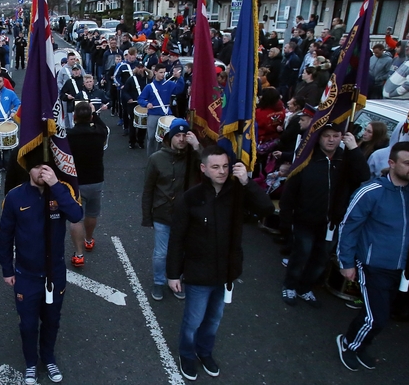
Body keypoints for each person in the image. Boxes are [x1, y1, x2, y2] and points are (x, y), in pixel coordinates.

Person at [335, 142, 409, 371]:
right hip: (372, 264)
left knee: (379, 313)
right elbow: (349, 227)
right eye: (407, 162)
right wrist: (346, 262)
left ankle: (359, 344)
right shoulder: (371, 192)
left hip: (402, 267)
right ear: (391, 163)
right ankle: (349, 344)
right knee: (376, 317)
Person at [167, 145, 274, 381]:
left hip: (226, 272)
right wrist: (173, 273)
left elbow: (266, 208)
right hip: (198, 272)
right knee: (193, 320)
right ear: (204, 168)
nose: (222, 171)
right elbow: (177, 238)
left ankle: (204, 352)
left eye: (225, 166)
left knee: (213, 319)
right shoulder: (191, 198)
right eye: (215, 167)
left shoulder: (237, 192)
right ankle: (187, 354)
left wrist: (248, 182)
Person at [0, 147, 83, 385]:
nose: (41, 172)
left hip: (54, 273)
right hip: (26, 274)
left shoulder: (61, 190)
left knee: (52, 320)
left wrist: (56, 185)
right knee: (27, 325)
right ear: (28, 169)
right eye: (36, 167)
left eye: (45, 167)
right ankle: (31, 364)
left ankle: (48, 358)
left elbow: (76, 215)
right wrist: (7, 269)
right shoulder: (15, 197)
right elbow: (4, 235)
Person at [280, 124, 369, 308]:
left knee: (321, 258)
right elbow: (290, 192)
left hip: (332, 222)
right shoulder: (307, 159)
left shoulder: (345, 160)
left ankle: (305, 287)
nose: (331, 139)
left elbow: (363, 175)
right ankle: (290, 285)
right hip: (305, 218)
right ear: (318, 138)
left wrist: (354, 149)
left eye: (335, 135)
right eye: (326, 136)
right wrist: (286, 218)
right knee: (301, 254)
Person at [142, 118, 201, 301]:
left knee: (182, 250)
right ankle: (159, 282)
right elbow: (148, 189)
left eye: (185, 135)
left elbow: (206, 168)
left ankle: (176, 280)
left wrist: (197, 147)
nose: (182, 139)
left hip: (185, 214)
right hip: (162, 212)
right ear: (170, 137)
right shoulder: (156, 158)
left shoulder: (192, 156)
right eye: (178, 135)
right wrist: (147, 217)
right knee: (161, 253)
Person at [66, 101, 107, 267]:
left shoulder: (69, 136)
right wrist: (94, 113)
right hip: (96, 179)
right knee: (92, 213)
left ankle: (78, 253)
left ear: (74, 117)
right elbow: (102, 126)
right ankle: (88, 240)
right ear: (90, 117)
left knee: (76, 218)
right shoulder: (99, 133)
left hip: (76, 181)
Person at [137, 64, 185, 156]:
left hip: (166, 114)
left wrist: (179, 78)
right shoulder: (149, 87)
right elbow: (140, 99)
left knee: (164, 138)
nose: (163, 75)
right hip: (153, 114)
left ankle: (162, 157)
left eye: (164, 72)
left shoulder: (169, 84)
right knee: (151, 137)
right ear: (155, 72)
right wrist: (147, 104)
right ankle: (151, 157)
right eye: (160, 72)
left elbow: (179, 90)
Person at [122, 61, 148, 149]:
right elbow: (125, 91)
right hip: (133, 104)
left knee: (143, 124)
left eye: (142, 67)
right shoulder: (131, 79)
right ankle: (132, 142)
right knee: (133, 123)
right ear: (136, 68)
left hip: (144, 104)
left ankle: (141, 141)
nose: (140, 69)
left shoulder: (148, 79)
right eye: (138, 67)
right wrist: (128, 98)